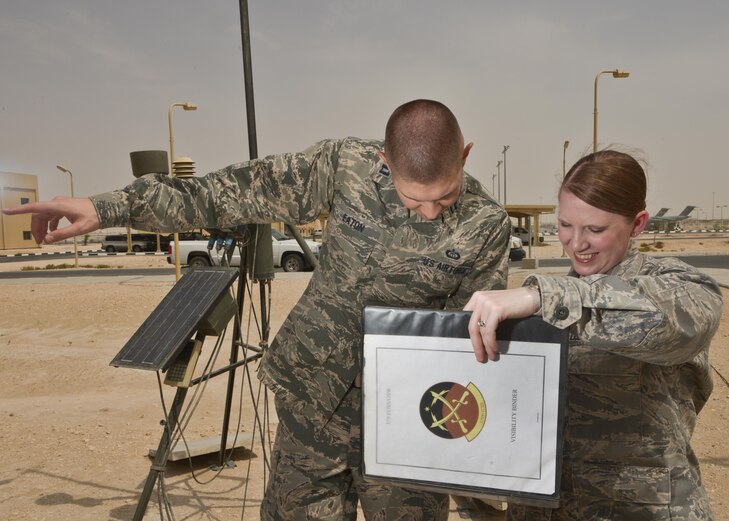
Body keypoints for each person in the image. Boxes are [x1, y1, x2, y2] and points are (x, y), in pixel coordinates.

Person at [4, 99, 511, 520]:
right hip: (311, 402)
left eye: (442, 199)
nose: (427, 211)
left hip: (404, 424)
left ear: (465, 155)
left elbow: (470, 349)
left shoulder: (486, 225)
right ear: (383, 159)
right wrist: (108, 208)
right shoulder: (346, 166)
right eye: (410, 197)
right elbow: (228, 192)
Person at [464, 149, 722, 521]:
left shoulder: (678, 286)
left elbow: (680, 320)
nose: (576, 243)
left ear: (638, 224)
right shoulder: (531, 304)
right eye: (565, 225)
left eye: (595, 230)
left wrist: (543, 297)